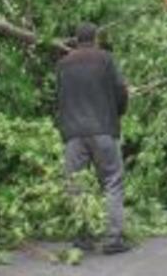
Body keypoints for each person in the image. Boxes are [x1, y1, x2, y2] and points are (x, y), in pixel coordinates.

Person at [56, 22, 130, 254]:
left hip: (73, 134)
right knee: (112, 181)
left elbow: (58, 98)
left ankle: (82, 236)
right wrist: (118, 113)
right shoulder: (106, 59)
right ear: (96, 38)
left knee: (76, 184)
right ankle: (113, 238)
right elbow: (121, 90)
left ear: (76, 40)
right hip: (103, 129)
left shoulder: (63, 64)